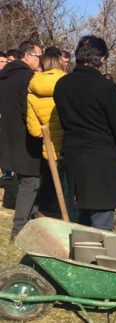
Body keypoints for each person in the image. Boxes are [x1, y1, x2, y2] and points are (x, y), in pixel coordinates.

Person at [54, 35, 116, 231]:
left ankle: (81, 254)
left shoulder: (62, 85)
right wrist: (115, 151)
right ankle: (94, 260)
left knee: (82, 216)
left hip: (74, 156)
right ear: (102, 59)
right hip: (101, 159)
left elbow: (64, 121)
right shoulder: (105, 87)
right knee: (101, 222)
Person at [26, 51, 77, 220]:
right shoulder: (69, 84)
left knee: (54, 186)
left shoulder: (33, 90)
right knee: (70, 189)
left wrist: (46, 128)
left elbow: (34, 130)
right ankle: (72, 221)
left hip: (49, 149)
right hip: (70, 145)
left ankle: (52, 214)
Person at [0, 40, 43, 238]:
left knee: (24, 180)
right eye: (38, 56)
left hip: (8, 136)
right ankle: (18, 230)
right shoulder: (28, 78)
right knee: (30, 182)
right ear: (27, 56)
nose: (40, 61)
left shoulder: (4, 77)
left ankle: (32, 218)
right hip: (26, 137)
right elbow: (30, 110)